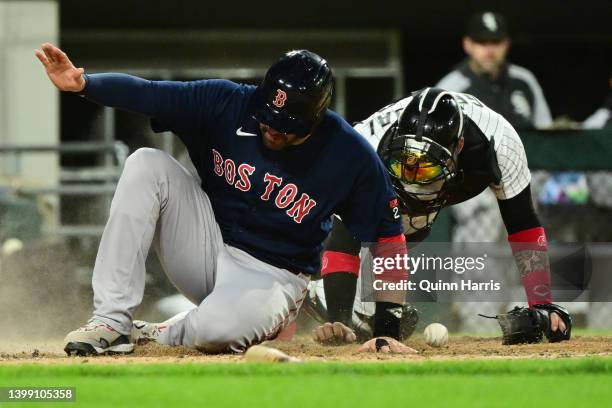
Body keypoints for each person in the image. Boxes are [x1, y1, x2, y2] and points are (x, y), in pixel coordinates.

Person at [35, 43, 408, 355]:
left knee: (213, 333)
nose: (271, 129)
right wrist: (84, 83)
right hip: (205, 240)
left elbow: (387, 239)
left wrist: (388, 327)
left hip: (273, 274)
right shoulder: (227, 102)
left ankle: (159, 335)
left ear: (315, 118)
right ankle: (112, 320)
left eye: (284, 126)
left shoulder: (350, 155)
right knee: (146, 164)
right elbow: (148, 93)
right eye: (266, 117)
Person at [311, 87, 572, 350]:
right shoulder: (365, 145)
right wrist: (339, 321)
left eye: (427, 167)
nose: (413, 179)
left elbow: (522, 223)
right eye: (406, 163)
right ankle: (325, 295)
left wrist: (541, 304)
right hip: (354, 201)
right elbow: (344, 235)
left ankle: (354, 305)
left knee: (389, 296)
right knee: (367, 310)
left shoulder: (500, 143)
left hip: (424, 208)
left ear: (458, 146)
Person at [437, 11, 552, 130]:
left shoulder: (524, 79)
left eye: (496, 42)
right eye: (481, 42)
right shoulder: (450, 88)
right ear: (467, 44)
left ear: (507, 44)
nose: (490, 51)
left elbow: (545, 129)